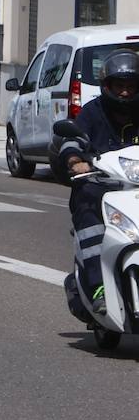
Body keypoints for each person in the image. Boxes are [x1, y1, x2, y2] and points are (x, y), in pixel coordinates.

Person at [59, 49, 139, 314]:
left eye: (131, 86)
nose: (125, 92)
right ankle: (97, 287)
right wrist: (75, 160)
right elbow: (72, 139)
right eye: (120, 86)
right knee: (89, 217)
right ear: (107, 86)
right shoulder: (93, 112)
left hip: (135, 190)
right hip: (100, 188)